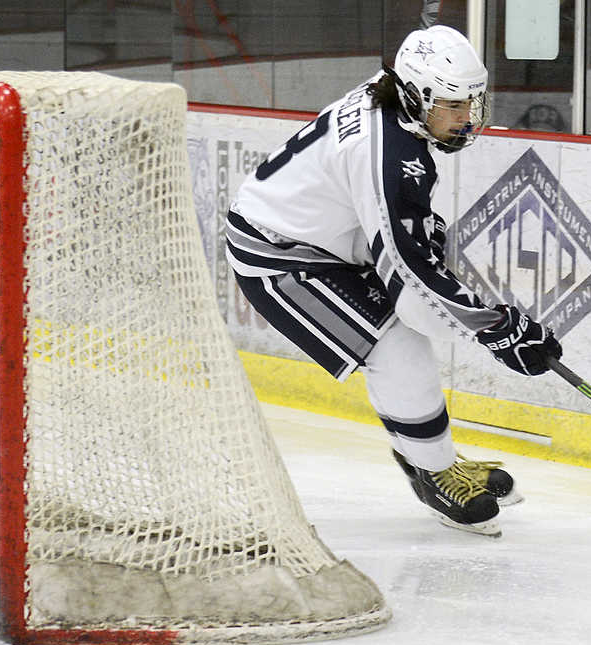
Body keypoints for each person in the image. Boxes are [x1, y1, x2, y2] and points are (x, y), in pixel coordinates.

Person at [225, 25, 562, 538]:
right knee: (397, 343)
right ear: (412, 95)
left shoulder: (395, 102)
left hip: (331, 235)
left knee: (409, 320)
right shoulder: (388, 154)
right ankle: (432, 470)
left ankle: (431, 456)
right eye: (451, 106)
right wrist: (501, 330)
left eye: (471, 102)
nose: (466, 118)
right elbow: (414, 293)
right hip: (280, 255)